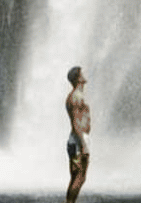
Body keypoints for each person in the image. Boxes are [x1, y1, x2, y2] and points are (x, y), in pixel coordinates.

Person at [65, 66, 91, 203]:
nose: (85, 74)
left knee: (80, 176)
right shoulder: (75, 97)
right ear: (78, 78)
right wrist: (83, 145)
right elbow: (76, 123)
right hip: (77, 141)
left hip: (80, 139)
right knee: (78, 176)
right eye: (82, 73)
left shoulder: (78, 95)